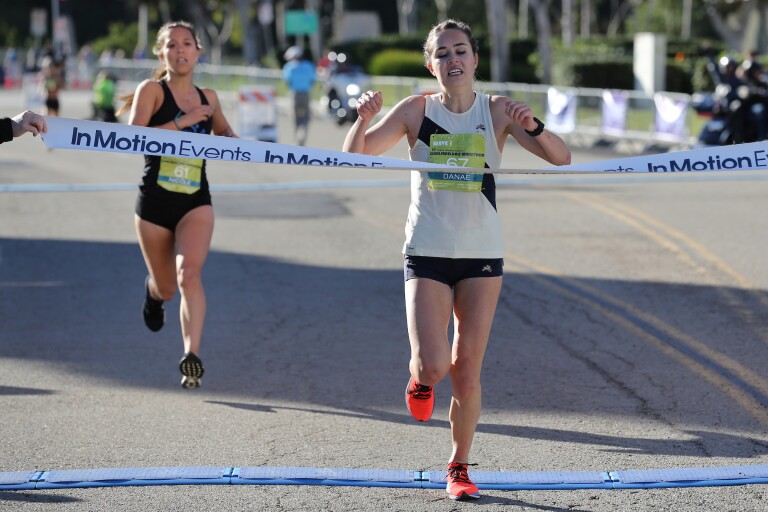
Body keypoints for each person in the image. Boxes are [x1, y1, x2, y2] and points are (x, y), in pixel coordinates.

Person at [342, 19, 571, 501]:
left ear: (475, 59)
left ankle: (459, 465)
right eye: (442, 54)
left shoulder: (497, 112)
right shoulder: (415, 110)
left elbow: (561, 157)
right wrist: (361, 118)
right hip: (427, 252)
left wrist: (533, 125)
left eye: (460, 50)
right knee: (433, 367)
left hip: (482, 256)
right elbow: (355, 156)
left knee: (467, 368)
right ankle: (419, 380)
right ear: (431, 65)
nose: (452, 60)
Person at [117, 20, 236, 389]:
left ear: (199, 52)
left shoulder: (209, 98)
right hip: (154, 202)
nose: (180, 50)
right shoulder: (151, 90)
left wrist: (234, 141)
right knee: (168, 286)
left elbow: (227, 136)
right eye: (172, 45)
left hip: (195, 201)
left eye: (187, 44)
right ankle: (153, 293)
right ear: (161, 53)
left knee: (190, 275)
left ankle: (191, 355)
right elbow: (134, 137)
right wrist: (181, 122)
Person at [282, 45, 316, 146]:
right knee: (306, 116)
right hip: (305, 93)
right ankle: (302, 132)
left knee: (295, 117)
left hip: (294, 93)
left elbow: (287, 81)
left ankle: (297, 136)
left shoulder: (289, 67)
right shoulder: (308, 66)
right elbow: (312, 80)